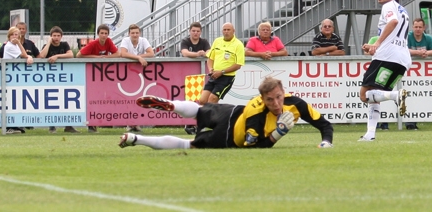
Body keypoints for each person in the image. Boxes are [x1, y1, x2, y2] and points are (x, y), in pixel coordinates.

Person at [119, 77, 333, 150]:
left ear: (283, 92)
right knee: (190, 145)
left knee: (200, 110)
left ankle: (172, 106)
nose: (276, 103)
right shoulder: (257, 115)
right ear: (263, 99)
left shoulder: (295, 103)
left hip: (231, 110)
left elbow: (324, 125)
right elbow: (254, 146)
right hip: (229, 135)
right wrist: (279, 133)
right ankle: (137, 139)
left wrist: (326, 142)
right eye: (270, 100)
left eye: (278, 97)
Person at [359, 0, 410, 141]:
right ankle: (370, 134)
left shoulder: (389, 6)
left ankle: (396, 96)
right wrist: (373, 46)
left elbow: (393, 22)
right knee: (375, 95)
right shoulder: (403, 10)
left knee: (364, 95)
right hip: (402, 59)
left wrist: (378, 44)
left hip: (387, 56)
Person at [76, 24, 119, 133]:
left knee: (103, 99)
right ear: (98, 34)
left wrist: (106, 58)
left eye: (106, 33)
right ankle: (91, 125)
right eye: (102, 33)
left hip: (102, 75)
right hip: (90, 74)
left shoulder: (108, 42)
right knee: (91, 99)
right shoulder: (93, 43)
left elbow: (118, 54)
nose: (104, 35)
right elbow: (78, 55)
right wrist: (96, 57)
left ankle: (100, 122)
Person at [39, 26, 77, 133]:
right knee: (51, 102)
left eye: (58, 36)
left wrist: (57, 56)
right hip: (50, 78)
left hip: (63, 78)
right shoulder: (47, 45)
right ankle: (52, 126)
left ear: (61, 36)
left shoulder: (64, 45)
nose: (56, 38)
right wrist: (48, 43)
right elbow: (42, 56)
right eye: (54, 36)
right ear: (50, 36)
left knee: (66, 102)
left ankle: (68, 126)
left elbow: (71, 55)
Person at [198, 22, 245, 105]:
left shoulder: (238, 44)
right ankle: (205, 117)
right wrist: (211, 69)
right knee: (202, 100)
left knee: (212, 100)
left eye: (228, 30)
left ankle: (212, 118)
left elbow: (238, 65)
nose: (226, 32)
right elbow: (210, 58)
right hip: (214, 75)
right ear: (222, 31)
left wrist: (222, 72)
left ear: (233, 31)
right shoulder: (217, 41)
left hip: (226, 77)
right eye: (224, 30)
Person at [119, 24, 155, 132]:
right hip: (127, 73)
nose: (135, 35)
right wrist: (138, 57)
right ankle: (129, 124)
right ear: (129, 34)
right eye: (133, 33)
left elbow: (151, 53)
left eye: (137, 33)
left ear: (139, 33)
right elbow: (123, 54)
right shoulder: (125, 41)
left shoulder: (143, 40)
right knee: (128, 99)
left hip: (141, 75)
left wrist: (139, 58)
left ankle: (136, 123)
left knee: (140, 99)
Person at [179, 22, 211, 135]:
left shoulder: (204, 41)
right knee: (190, 98)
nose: (195, 33)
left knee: (201, 99)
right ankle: (189, 123)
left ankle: (199, 124)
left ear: (200, 32)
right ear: (190, 31)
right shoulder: (185, 41)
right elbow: (185, 53)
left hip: (202, 74)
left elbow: (209, 52)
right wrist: (198, 54)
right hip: (188, 74)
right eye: (193, 31)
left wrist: (204, 53)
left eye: (197, 31)